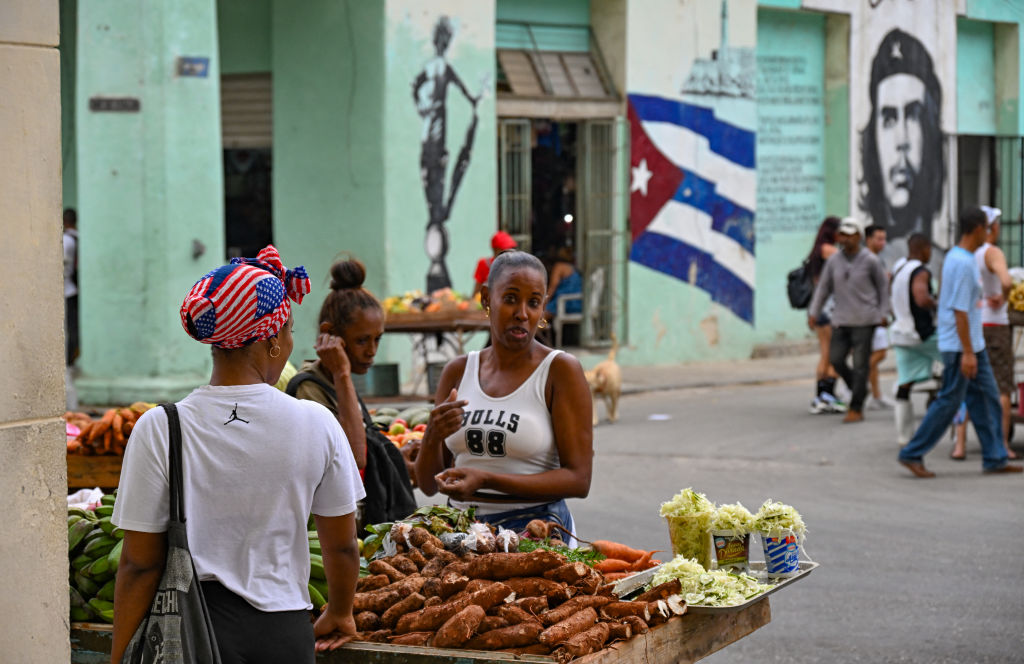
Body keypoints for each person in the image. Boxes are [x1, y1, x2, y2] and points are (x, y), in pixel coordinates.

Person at [111, 246, 364, 663]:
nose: (289, 340)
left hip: (190, 630)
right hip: (284, 634)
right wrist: (339, 611)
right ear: (269, 341)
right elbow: (342, 547)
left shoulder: (160, 428)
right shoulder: (316, 423)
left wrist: (121, 656)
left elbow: (138, 565)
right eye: (288, 330)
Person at [414, 250, 594, 535]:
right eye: (510, 299)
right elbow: (426, 484)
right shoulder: (458, 371)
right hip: (460, 532)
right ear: (486, 298)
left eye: (533, 303)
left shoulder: (559, 370)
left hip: (537, 531)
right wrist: (433, 435)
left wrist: (487, 479)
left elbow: (579, 480)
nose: (522, 313)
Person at [287, 257, 418, 527]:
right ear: (329, 334)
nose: (372, 350)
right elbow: (355, 458)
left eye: (377, 339)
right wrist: (343, 373)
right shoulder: (309, 389)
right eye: (361, 340)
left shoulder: (338, 382)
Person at [898, 208, 1023, 477]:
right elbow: (959, 311)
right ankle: (912, 452)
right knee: (949, 401)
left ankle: (995, 457)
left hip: (972, 344)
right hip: (960, 346)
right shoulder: (963, 263)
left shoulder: (958, 258)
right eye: (988, 227)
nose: (990, 232)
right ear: (978, 228)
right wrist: (967, 352)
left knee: (986, 397)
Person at [858, 28, 945, 257]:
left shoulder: (942, 265)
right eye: (888, 119)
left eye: (914, 116)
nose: (901, 141)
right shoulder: (857, 262)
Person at [414, 15, 481, 292]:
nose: (445, 44)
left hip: (437, 135)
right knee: (435, 193)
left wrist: (474, 101)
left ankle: (439, 276)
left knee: (438, 196)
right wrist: (422, 106)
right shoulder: (433, 68)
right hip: (431, 136)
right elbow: (417, 86)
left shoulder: (443, 68)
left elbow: (464, 92)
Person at [808, 217, 890, 423]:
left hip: (865, 319)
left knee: (861, 363)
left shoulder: (870, 260)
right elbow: (824, 288)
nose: (845, 239)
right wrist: (813, 312)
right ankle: (858, 386)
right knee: (835, 359)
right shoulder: (834, 261)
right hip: (841, 319)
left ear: (858, 237)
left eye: (849, 235)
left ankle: (856, 407)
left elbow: (882, 287)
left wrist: (883, 313)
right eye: (842, 235)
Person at [971, 205, 1019, 460]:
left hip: (976, 323)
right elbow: (1008, 281)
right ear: (992, 227)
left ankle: (959, 444)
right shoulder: (992, 253)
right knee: (1002, 387)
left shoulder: (969, 254)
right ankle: (1002, 444)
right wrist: (1004, 296)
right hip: (996, 325)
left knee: (971, 386)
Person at [889, 233, 941, 446]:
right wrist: (937, 303)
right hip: (922, 335)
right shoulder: (921, 271)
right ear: (925, 248)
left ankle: (904, 436)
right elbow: (921, 297)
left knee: (905, 384)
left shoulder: (899, 268)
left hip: (901, 333)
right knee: (955, 361)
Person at [807, 217, 843, 414]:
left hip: (819, 309)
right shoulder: (829, 251)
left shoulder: (817, 250)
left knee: (825, 354)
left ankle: (821, 396)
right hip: (829, 309)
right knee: (833, 355)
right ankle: (827, 395)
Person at [864, 224, 895, 410]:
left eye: (884, 239)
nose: (882, 243)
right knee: (879, 353)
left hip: (877, 313)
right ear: (868, 239)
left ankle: (876, 395)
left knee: (874, 354)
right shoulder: (864, 260)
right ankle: (855, 380)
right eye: (878, 238)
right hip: (871, 314)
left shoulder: (876, 260)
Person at [63, 208, 80, 409]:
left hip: (67, 290)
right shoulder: (78, 239)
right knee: (73, 331)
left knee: (70, 331)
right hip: (74, 291)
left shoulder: (66, 241)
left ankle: (69, 361)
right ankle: (71, 360)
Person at [473, 230, 518, 297]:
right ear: (495, 249)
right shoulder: (484, 264)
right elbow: (477, 291)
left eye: (511, 249)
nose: (509, 253)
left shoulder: (514, 266)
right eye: (505, 250)